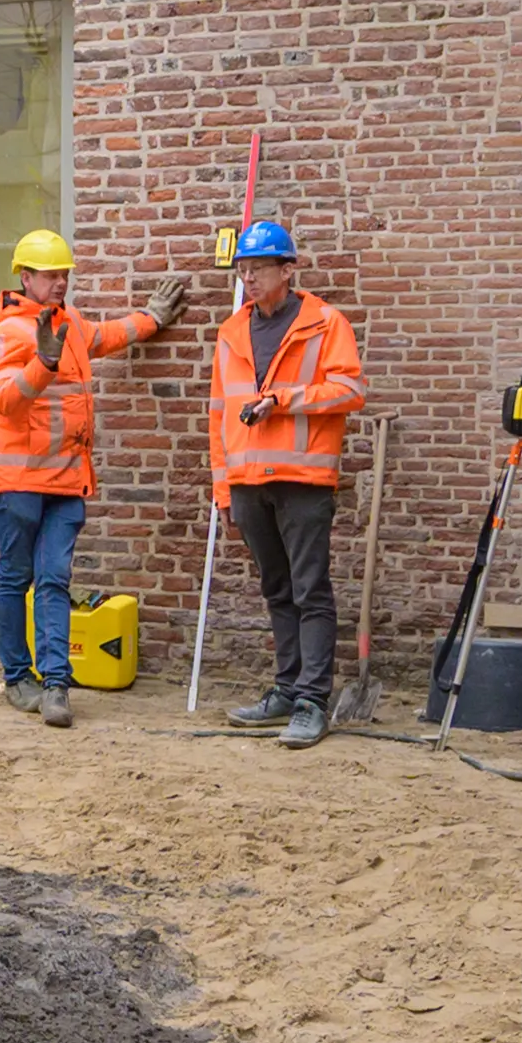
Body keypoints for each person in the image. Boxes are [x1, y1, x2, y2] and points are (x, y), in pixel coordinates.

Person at [0, 230, 190, 728]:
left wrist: (152, 318)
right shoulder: (8, 334)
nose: (60, 282)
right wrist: (43, 363)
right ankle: (18, 678)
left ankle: (57, 686)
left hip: (66, 483)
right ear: (25, 278)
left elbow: (105, 336)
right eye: (51, 275)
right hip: (19, 484)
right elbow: (6, 399)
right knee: (15, 578)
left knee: (54, 579)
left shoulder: (69, 323)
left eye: (64, 274)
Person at [209, 222, 366, 749]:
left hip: (303, 479)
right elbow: (218, 415)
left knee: (310, 590)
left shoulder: (325, 323)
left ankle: (311, 701)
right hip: (247, 481)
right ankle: (286, 688)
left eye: (258, 268)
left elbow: (349, 390)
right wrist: (223, 487)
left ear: (288, 270)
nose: (248, 279)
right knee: (276, 589)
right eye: (243, 270)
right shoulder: (231, 332)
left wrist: (284, 399)